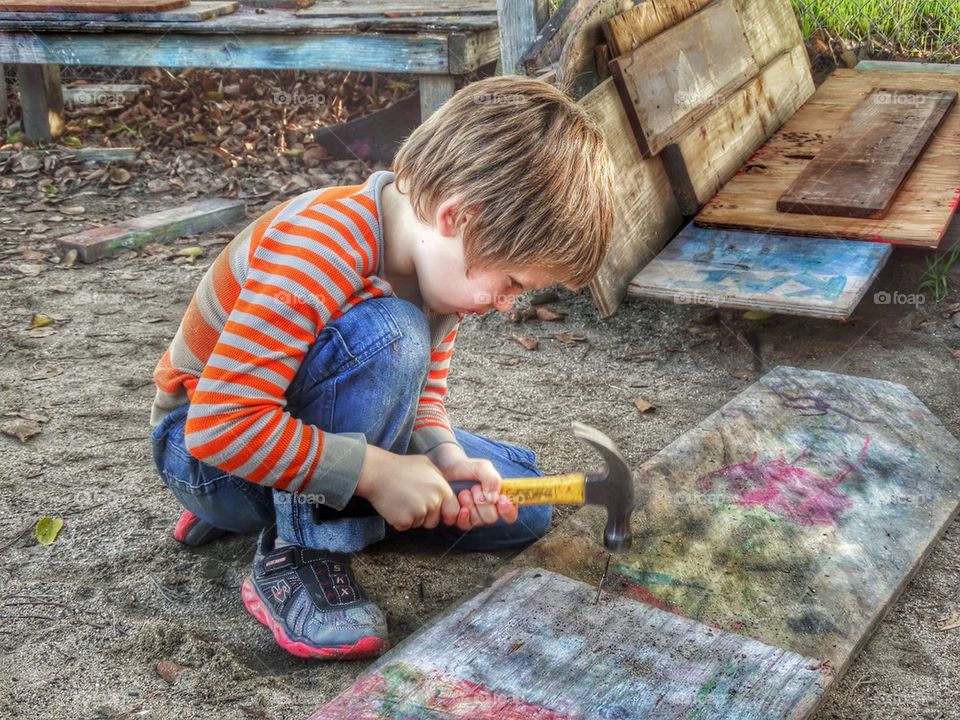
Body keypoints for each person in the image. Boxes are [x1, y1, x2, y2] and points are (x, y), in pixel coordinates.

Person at [150, 75, 614, 660]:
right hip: (204, 455)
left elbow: (422, 399)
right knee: (390, 335)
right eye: (512, 283)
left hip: (276, 439)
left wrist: (445, 459)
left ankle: (292, 508)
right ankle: (299, 552)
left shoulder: (440, 270)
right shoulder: (322, 245)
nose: (506, 304)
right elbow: (218, 425)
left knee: (523, 506)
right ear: (457, 216)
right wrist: (378, 474)